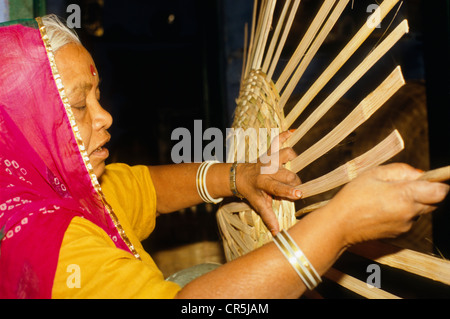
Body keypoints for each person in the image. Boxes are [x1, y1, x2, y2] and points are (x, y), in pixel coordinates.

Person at [0, 15, 448, 299]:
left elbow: (145, 187)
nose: (105, 117)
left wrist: (236, 177)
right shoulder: (53, 248)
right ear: (26, 126)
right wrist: (338, 225)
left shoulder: (71, 188)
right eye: (78, 106)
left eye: (99, 96)